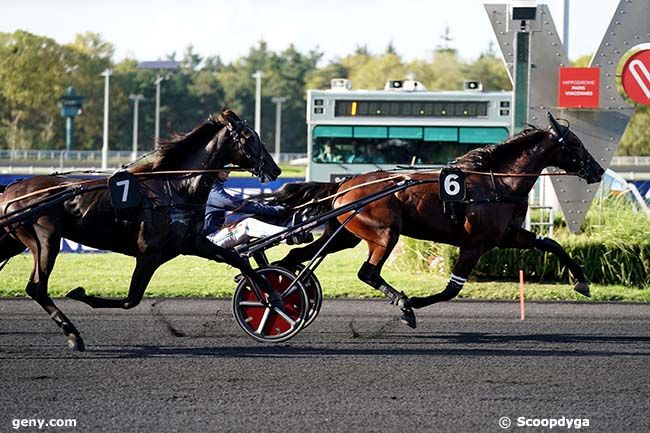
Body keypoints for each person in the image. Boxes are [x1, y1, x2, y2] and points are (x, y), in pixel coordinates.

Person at [204, 170, 288, 249]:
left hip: (216, 234)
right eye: (225, 169)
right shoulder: (212, 192)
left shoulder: (212, 189)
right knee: (247, 224)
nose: (229, 171)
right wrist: (276, 210)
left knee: (248, 220)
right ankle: (288, 234)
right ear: (214, 172)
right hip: (210, 240)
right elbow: (242, 205)